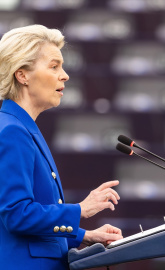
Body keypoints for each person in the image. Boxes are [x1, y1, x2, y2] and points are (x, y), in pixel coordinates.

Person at [0, 25, 123, 270]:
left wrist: (84, 235)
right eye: (54, 66)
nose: (65, 75)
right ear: (22, 75)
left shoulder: (21, 127)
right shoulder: (12, 132)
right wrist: (79, 210)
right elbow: (16, 214)